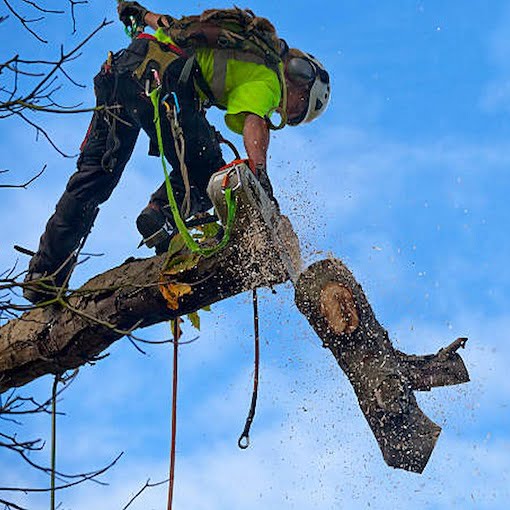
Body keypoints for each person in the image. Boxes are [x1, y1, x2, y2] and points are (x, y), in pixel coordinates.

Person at [23, 2, 331, 304]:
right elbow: (255, 122)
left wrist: (141, 15)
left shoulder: (235, 40)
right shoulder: (270, 76)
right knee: (212, 176)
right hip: (163, 81)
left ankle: (44, 276)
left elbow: (169, 25)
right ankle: (161, 216)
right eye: (297, 110)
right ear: (301, 89)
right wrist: (259, 177)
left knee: (92, 180)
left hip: (121, 71)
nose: (289, 110)